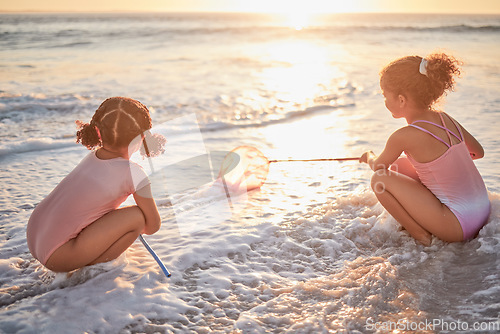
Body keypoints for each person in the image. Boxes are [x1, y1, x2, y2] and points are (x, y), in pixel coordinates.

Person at [359, 54, 490, 245]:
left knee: (379, 179)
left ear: (402, 99)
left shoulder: (403, 136)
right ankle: (429, 215)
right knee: (398, 166)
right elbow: (478, 152)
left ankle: (420, 235)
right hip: (482, 210)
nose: (385, 101)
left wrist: (368, 156)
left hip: (459, 226)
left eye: (385, 95)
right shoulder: (445, 118)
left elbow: (378, 166)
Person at [27, 97, 166, 272]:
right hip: (59, 257)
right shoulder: (135, 174)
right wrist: (118, 225)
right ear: (143, 137)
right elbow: (153, 226)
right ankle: (93, 270)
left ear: (98, 132)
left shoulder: (94, 156)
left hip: (34, 238)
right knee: (137, 217)